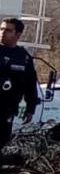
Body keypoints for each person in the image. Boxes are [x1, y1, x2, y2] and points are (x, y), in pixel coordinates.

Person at [0, 18, 38, 148]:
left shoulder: (23, 57)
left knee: (3, 142)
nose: (3, 32)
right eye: (1, 29)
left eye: (8, 30)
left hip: (6, 109)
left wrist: (30, 109)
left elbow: (30, 84)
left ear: (18, 34)